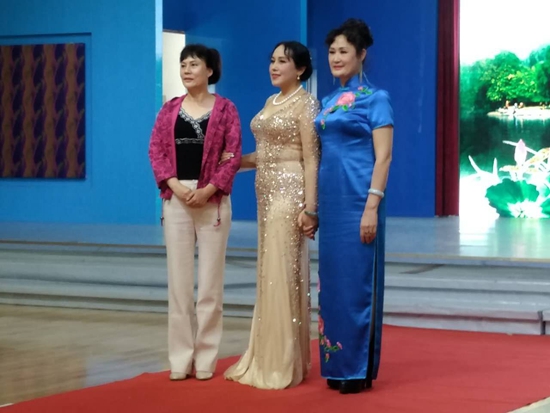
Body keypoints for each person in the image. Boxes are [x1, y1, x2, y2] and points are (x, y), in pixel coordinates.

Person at [222, 41, 320, 389]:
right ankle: (269, 356)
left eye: (283, 61)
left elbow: (312, 158)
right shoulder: (271, 101)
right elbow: (264, 154)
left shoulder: (306, 104)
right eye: (273, 60)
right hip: (265, 193)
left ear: (301, 69)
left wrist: (311, 208)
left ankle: (281, 363)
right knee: (270, 271)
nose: (274, 66)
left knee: (281, 271)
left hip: (290, 193)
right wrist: (232, 162)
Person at [148, 44, 242, 382]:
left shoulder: (226, 109)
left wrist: (209, 189)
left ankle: (205, 358)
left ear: (210, 70)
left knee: (210, 287)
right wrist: (175, 185)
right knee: (179, 286)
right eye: (183, 65)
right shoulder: (169, 110)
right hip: (176, 199)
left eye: (194, 64)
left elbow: (233, 154)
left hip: (212, 201)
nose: (187, 70)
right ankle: (180, 358)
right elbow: (156, 151)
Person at [314, 19, 394, 394]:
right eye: (332, 51)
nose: (336, 57)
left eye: (344, 51)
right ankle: (337, 363)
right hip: (331, 204)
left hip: (359, 201)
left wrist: (372, 206)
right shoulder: (327, 102)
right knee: (332, 287)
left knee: (357, 286)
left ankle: (357, 369)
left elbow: (384, 157)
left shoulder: (376, 99)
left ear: (362, 54)